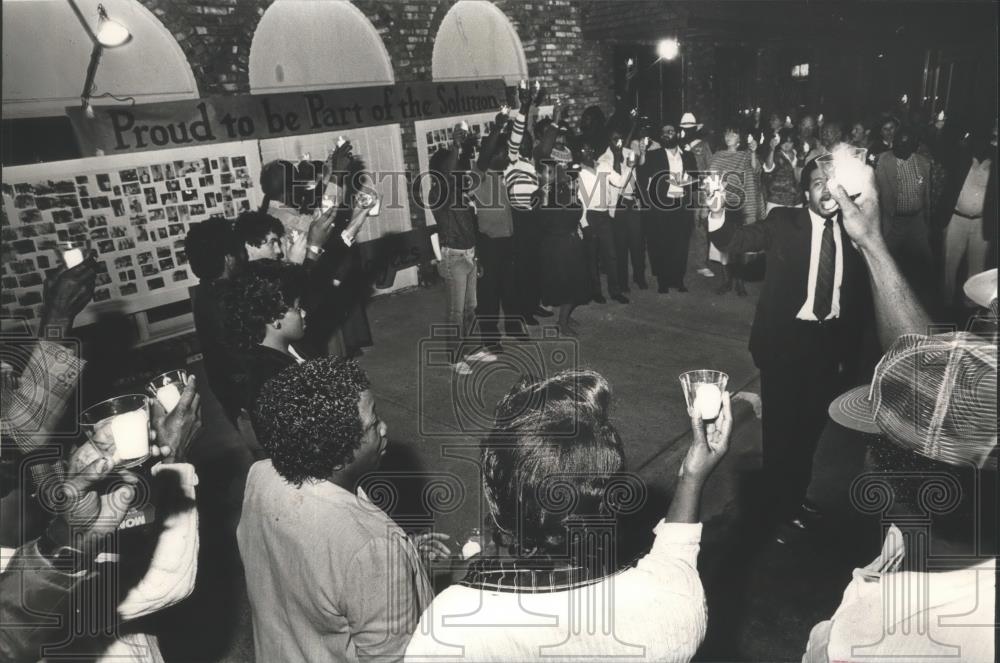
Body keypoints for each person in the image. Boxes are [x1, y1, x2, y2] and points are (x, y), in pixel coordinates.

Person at [405, 370, 733, 662]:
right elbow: (676, 555)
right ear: (611, 505)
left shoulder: (450, 628)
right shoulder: (675, 604)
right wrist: (692, 476)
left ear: (501, 511)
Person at [239, 357, 448, 662]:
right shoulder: (371, 549)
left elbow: (310, 562)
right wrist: (384, 559)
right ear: (338, 452)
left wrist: (406, 554)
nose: (385, 428)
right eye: (374, 422)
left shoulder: (260, 474)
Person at [727, 159, 869, 540]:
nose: (825, 190)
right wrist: (715, 213)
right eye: (817, 183)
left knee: (809, 431)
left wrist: (849, 359)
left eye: (831, 182)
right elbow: (738, 241)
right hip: (785, 346)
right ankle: (776, 512)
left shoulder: (856, 230)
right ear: (806, 192)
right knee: (782, 435)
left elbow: (857, 301)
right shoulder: (784, 223)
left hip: (828, 348)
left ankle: (794, 497)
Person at [429, 123, 498, 375]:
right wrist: (456, 146)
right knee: (456, 312)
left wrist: (476, 256)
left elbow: (482, 164)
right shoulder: (438, 192)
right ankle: (454, 357)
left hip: (468, 254)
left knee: (471, 308)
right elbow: (447, 176)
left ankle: (470, 349)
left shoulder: (460, 189)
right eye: (452, 164)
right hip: (453, 257)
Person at [221, 259, 310, 411]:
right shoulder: (274, 381)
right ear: (274, 319)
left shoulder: (290, 346)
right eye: (298, 308)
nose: (304, 312)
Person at [470, 108, 524, 353]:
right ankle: (490, 338)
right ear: (491, 154)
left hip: (507, 241)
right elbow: (485, 154)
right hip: (489, 243)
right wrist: (497, 128)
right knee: (489, 293)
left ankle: (513, 327)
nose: (505, 155)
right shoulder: (477, 175)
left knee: (511, 287)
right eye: (500, 152)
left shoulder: (500, 174)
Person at [185, 218, 246, 426]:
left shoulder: (205, 291)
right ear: (229, 259)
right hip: (247, 401)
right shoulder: (229, 299)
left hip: (229, 395)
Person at [637, 123, 699, 294]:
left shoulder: (688, 156)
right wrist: (642, 153)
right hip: (661, 205)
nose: (666, 134)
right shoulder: (654, 155)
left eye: (670, 131)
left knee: (680, 243)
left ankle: (678, 279)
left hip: (681, 205)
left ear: (677, 134)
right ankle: (663, 281)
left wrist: (684, 182)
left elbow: (695, 180)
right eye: (663, 132)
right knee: (661, 242)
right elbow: (641, 173)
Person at [874, 126, 934, 299]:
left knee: (926, 260)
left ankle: (924, 298)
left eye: (904, 145)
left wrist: (927, 221)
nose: (898, 148)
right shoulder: (882, 161)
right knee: (885, 261)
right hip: (893, 221)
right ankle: (883, 297)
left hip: (916, 221)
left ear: (913, 146)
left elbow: (927, 195)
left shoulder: (923, 162)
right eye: (896, 144)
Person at [940, 125, 997, 307]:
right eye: (976, 140)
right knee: (950, 264)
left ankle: (971, 305)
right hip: (957, 220)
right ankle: (946, 303)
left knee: (977, 267)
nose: (980, 144)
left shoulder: (994, 163)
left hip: (981, 224)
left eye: (985, 140)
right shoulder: (961, 158)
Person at [538, 155, 591, 336]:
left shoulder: (553, 193)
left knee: (570, 284)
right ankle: (562, 321)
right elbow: (573, 213)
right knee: (572, 284)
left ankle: (565, 316)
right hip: (563, 246)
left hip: (562, 243)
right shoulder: (559, 194)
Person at [708, 124, 764, 295]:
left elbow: (756, 171)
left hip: (743, 206)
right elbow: (711, 177)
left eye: (733, 133)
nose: (728, 136)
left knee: (740, 245)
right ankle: (726, 280)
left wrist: (753, 151)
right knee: (725, 245)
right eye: (726, 132)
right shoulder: (718, 155)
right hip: (724, 204)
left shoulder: (746, 155)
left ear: (741, 139)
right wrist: (717, 187)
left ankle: (739, 281)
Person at [577, 133, 630, 303]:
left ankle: (615, 291)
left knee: (611, 254)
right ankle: (596, 292)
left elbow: (621, 182)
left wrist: (630, 166)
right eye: (584, 149)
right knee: (592, 256)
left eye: (590, 148)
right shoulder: (576, 172)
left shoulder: (603, 166)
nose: (588, 151)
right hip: (589, 215)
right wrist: (584, 223)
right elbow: (581, 202)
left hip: (604, 215)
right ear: (579, 152)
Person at [681, 112, 716, 279]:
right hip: (682, 190)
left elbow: (711, 168)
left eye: (690, 129)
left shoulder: (703, 145)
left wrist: (708, 190)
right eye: (684, 129)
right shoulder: (678, 146)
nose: (687, 132)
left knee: (701, 225)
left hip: (699, 190)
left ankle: (701, 263)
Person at [762, 128, 803, 213]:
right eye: (784, 141)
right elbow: (768, 167)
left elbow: (800, 178)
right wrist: (772, 149)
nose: (786, 144)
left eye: (790, 141)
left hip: (796, 202)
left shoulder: (799, 156)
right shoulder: (776, 155)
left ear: (794, 142)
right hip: (777, 203)